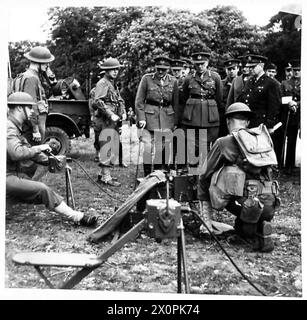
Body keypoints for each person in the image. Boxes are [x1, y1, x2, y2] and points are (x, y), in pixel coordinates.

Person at [6, 92, 97, 227]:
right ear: (19, 108)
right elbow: (17, 153)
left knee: (32, 189)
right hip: (6, 177)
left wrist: (52, 161)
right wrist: (40, 147)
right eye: (29, 108)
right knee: (42, 189)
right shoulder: (8, 127)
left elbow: (29, 150)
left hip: (11, 174)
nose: (32, 111)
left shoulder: (14, 127)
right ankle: (77, 217)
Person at [198, 102, 280, 252]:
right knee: (252, 212)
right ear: (248, 122)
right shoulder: (262, 139)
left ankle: (248, 229)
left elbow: (204, 174)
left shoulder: (224, 142)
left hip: (246, 203)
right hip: (270, 202)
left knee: (212, 180)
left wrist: (206, 218)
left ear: (228, 122)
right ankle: (259, 226)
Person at [135, 55, 179, 176]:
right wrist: (141, 118)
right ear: (155, 67)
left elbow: (176, 103)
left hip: (167, 118)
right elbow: (139, 101)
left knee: (163, 147)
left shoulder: (173, 81)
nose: (160, 71)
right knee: (148, 147)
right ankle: (148, 174)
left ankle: (160, 173)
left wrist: (175, 122)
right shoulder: (146, 79)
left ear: (168, 69)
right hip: (150, 118)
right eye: (158, 68)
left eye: (163, 69)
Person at [181, 51, 223, 168]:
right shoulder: (189, 79)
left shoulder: (215, 77)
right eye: (197, 64)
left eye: (202, 64)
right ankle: (193, 173)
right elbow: (184, 98)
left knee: (207, 146)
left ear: (207, 63)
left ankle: (205, 173)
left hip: (209, 117)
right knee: (192, 146)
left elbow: (219, 98)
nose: (200, 66)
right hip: (192, 117)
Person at [11, 46, 57, 144]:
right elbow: (31, 106)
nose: (47, 65)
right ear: (38, 62)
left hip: (25, 125)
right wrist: (35, 130)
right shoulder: (32, 79)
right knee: (35, 155)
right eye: (45, 63)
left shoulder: (23, 76)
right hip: (31, 128)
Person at [93, 57, 127, 186]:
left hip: (112, 120)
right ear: (106, 70)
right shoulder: (103, 83)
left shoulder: (112, 84)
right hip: (105, 120)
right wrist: (111, 114)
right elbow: (98, 101)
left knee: (112, 146)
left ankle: (103, 175)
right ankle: (106, 178)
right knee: (106, 146)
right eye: (112, 69)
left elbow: (119, 100)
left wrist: (122, 112)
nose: (115, 71)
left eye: (117, 69)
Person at [237, 54, 281, 130]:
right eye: (249, 67)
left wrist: (269, 125)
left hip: (261, 123)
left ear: (261, 65)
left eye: (253, 67)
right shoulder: (249, 81)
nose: (250, 69)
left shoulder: (271, 83)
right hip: (248, 121)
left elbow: (274, 107)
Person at [280, 59, 301, 174]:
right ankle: (288, 165)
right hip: (289, 115)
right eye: (295, 70)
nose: (297, 72)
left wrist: (296, 104)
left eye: (299, 70)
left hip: (301, 115)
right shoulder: (285, 83)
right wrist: (289, 103)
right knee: (289, 140)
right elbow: (281, 98)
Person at [220, 58, 240, 137]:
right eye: (229, 69)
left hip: (238, 116)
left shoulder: (242, 83)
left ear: (238, 69)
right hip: (223, 116)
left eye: (233, 69)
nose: (231, 71)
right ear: (226, 70)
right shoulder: (221, 84)